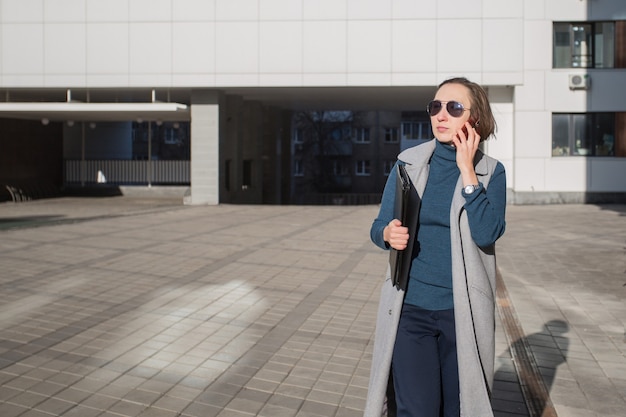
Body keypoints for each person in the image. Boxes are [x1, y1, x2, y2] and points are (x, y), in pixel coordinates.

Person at [364, 77, 507, 417]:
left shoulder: (490, 173)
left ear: (475, 119)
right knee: (417, 409)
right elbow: (377, 226)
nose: (441, 115)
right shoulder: (408, 164)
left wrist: (467, 173)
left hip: (464, 312)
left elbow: (487, 233)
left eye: (454, 107)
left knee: (458, 408)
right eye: (435, 106)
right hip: (410, 308)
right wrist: (387, 234)